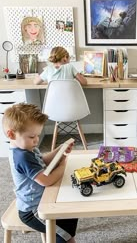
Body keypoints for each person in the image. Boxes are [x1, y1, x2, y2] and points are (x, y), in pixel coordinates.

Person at [2, 103, 78, 243]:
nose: (36, 140)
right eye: (32, 137)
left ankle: (68, 235)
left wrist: (59, 150)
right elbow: (45, 180)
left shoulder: (26, 148)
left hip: (41, 199)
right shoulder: (22, 156)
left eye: (38, 135)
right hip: (33, 210)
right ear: (11, 134)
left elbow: (43, 161)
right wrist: (63, 165)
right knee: (62, 234)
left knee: (70, 211)